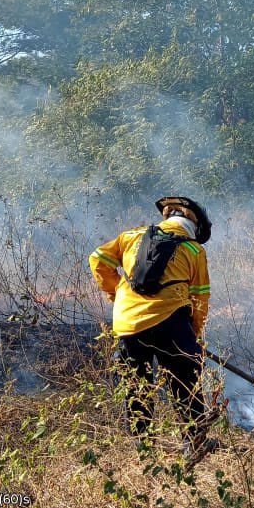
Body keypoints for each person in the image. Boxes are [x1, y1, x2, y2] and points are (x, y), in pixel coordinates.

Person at [88, 196, 215, 458]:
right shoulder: (194, 251)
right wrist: (194, 336)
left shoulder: (132, 236)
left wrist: (117, 295)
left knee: (136, 386)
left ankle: (143, 450)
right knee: (184, 380)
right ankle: (194, 443)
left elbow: (97, 258)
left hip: (128, 325)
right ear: (194, 224)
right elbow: (200, 299)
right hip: (171, 321)